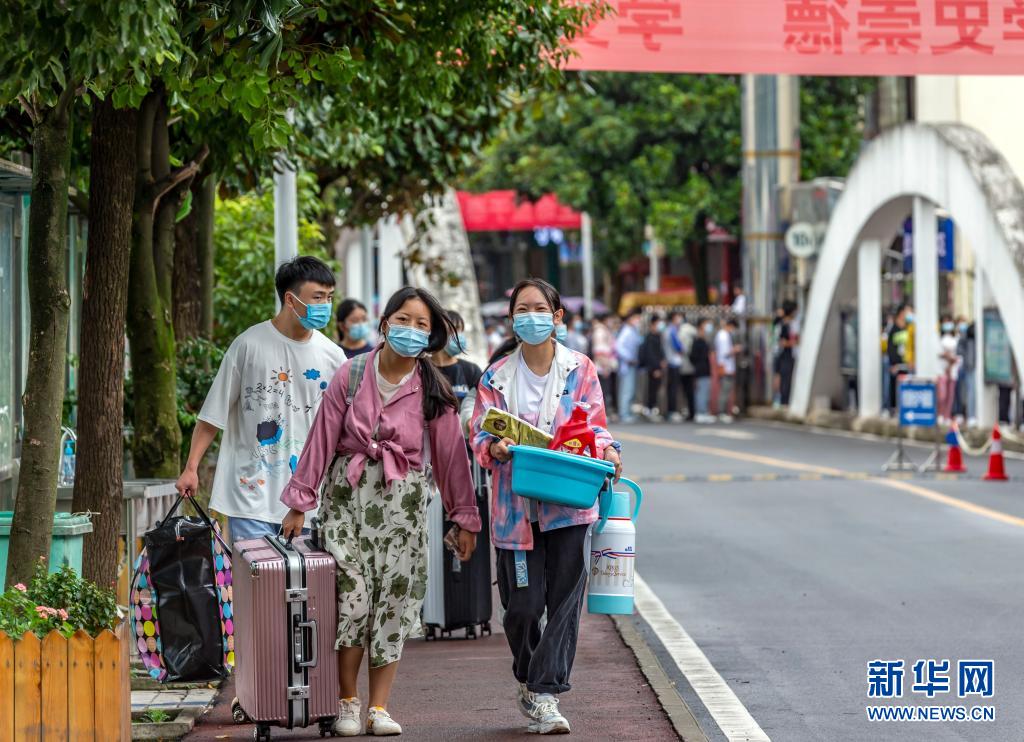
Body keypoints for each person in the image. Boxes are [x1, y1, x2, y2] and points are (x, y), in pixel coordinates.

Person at [280, 286, 481, 737]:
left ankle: (379, 707)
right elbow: (321, 440)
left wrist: (463, 518)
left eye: (422, 324)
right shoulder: (350, 376)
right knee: (351, 600)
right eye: (403, 320)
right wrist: (299, 503)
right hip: (347, 500)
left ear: (432, 337)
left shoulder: (433, 388)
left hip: (403, 507)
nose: (411, 330)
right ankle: (347, 702)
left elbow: (452, 459)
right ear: (385, 323)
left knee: (393, 603)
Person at [471, 278, 622, 736]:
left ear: (557, 317)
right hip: (516, 511)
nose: (530, 316)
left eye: (540, 308)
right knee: (522, 606)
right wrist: (494, 447)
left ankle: (545, 691)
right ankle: (532, 678)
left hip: (570, 506)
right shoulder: (495, 376)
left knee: (563, 603)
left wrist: (610, 452)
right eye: (522, 309)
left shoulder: (581, 369)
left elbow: (596, 426)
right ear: (512, 318)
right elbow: (478, 434)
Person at [174, 256, 344, 541]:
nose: (325, 306)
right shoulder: (248, 345)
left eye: (329, 297)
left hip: (310, 502)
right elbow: (213, 413)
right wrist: (191, 467)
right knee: (256, 584)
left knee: (306, 585)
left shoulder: (333, 356)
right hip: (250, 497)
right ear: (291, 300)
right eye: (318, 297)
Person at [433, 309, 483, 435]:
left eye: (460, 330)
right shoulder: (422, 370)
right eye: (452, 329)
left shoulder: (471, 371)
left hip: (465, 446)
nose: (458, 335)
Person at [615, 310, 643, 423]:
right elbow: (619, 347)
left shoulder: (633, 330)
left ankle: (627, 412)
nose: (638, 320)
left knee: (630, 389)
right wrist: (629, 358)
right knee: (626, 389)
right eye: (636, 318)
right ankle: (624, 413)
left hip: (632, 364)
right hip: (627, 365)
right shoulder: (626, 331)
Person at [638, 313, 667, 420]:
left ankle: (652, 408)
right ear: (653, 324)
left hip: (658, 367)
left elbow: (659, 352)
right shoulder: (649, 338)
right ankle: (649, 409)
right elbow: (650, 354)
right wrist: (656, 368)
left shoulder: (658, 336)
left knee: (655, 388)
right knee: (651, 389)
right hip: (653, 368)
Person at [589, 314, 618, 420]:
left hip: (604, 365)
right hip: (602, 366)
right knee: (602, 392)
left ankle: (601, 415)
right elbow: (599, 351)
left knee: (603, 391)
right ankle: (601, 416)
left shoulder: (602, 330)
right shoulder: (600, 331)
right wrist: (605, 366)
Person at [887, 304, 913, 413]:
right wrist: (894, 363)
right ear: (901, 313)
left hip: (908, 363)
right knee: (895, 386)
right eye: (908, 312)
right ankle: (894, 408)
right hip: (897, 364)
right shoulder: (893, 329)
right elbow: (891, 347)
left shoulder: (910, 327)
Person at [713, 317, 738, 423]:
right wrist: (735, 350)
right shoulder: (723, 336)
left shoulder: (724, 335)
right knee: (725, 390)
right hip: (725, 367)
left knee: (726, 390)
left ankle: (723, 411)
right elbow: (725, 353)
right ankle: (721, 412)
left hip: (727, 366)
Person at [937, 314, 960, 423]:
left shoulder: (956, 339)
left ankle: (947, 415)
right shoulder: (939, 338)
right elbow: (939, 353)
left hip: (953, 371)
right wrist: (947, 357)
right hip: (942, 370)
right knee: (942, 395)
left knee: (950, 396)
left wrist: (952, 360)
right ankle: (940, 414)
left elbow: (958, 355)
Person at [955, 317, 977, 427]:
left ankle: (973, 415)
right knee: (970, 392)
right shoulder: (967, 333)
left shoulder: (978, 332)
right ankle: (970, 415)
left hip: (977, 367)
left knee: (972, 392)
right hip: (969, 367)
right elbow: (959, 349)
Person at [691, 321, 714, 423]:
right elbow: (693, 357)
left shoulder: (703, 341)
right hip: (701, 370)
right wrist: (698, 366)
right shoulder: (698, 342)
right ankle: (701, 412)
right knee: (701, 392)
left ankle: (703, 412)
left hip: (704, 370)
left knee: (704, 392)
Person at [777, 301, 799, 407]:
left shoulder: (792, 324)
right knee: (785, 379)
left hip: (790, 355)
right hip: (784, 355)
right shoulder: (783, 325)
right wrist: (792, 343)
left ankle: (787, 401)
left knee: (789, 379)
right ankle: (783, 402)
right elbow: (782, 342)